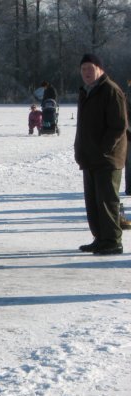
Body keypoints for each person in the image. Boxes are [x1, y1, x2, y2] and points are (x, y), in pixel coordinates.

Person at [74, 53, 128, 255]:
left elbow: (119, 126)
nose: (86, 72)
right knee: (93, 202)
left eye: (90, 68)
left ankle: (112, 240)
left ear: (100, 69)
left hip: (107, 158)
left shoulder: (110, 91)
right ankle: (100, 238)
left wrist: (104, 150)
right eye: (83, 69)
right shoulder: (87, 91)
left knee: (106, 201)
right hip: (89, 157)